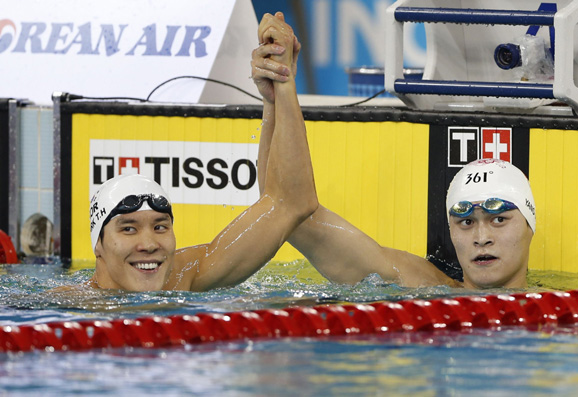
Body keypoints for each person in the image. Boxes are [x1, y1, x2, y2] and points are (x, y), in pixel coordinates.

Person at [252, 17, 536, 289]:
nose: (481, 238)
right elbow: (283, 209)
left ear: (529, 225)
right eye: (466, 222)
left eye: (499, 219)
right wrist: (278, 93)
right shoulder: (422, 285)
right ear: (450, 232)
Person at [86, 12, 317, 292]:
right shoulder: (70, 308)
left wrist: (281, 88)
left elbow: (289, 204)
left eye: (160, 227)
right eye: (128, 228)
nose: (148, 245)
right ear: (98, 244)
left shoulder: (184, 277)